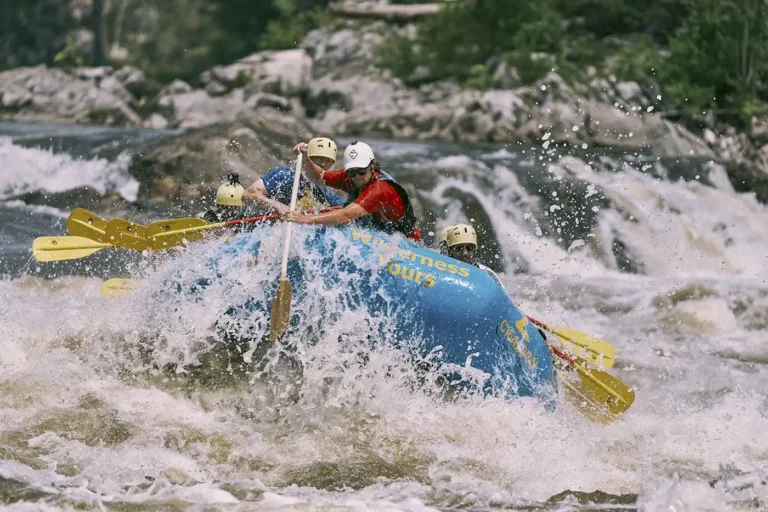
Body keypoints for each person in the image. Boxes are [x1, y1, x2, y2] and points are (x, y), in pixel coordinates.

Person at [286, 141, 421, 241]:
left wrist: (305, 219)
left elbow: (345, 215)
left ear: (372, 166)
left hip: (404, 240)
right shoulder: (350, 176)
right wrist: (305, 157)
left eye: (361, 171)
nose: (357, 176)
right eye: (351, 172)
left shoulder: (379, 190)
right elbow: (319, 177)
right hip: (379, 234)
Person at [242, 137, 343, 215]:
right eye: (319, 158)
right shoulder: (285, 175)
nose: (323, 164)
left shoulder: (326, 192)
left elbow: (344, 211)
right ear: (308, 157)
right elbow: (248, 194)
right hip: (266, 228)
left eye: (328, 161)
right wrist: (277, 206)